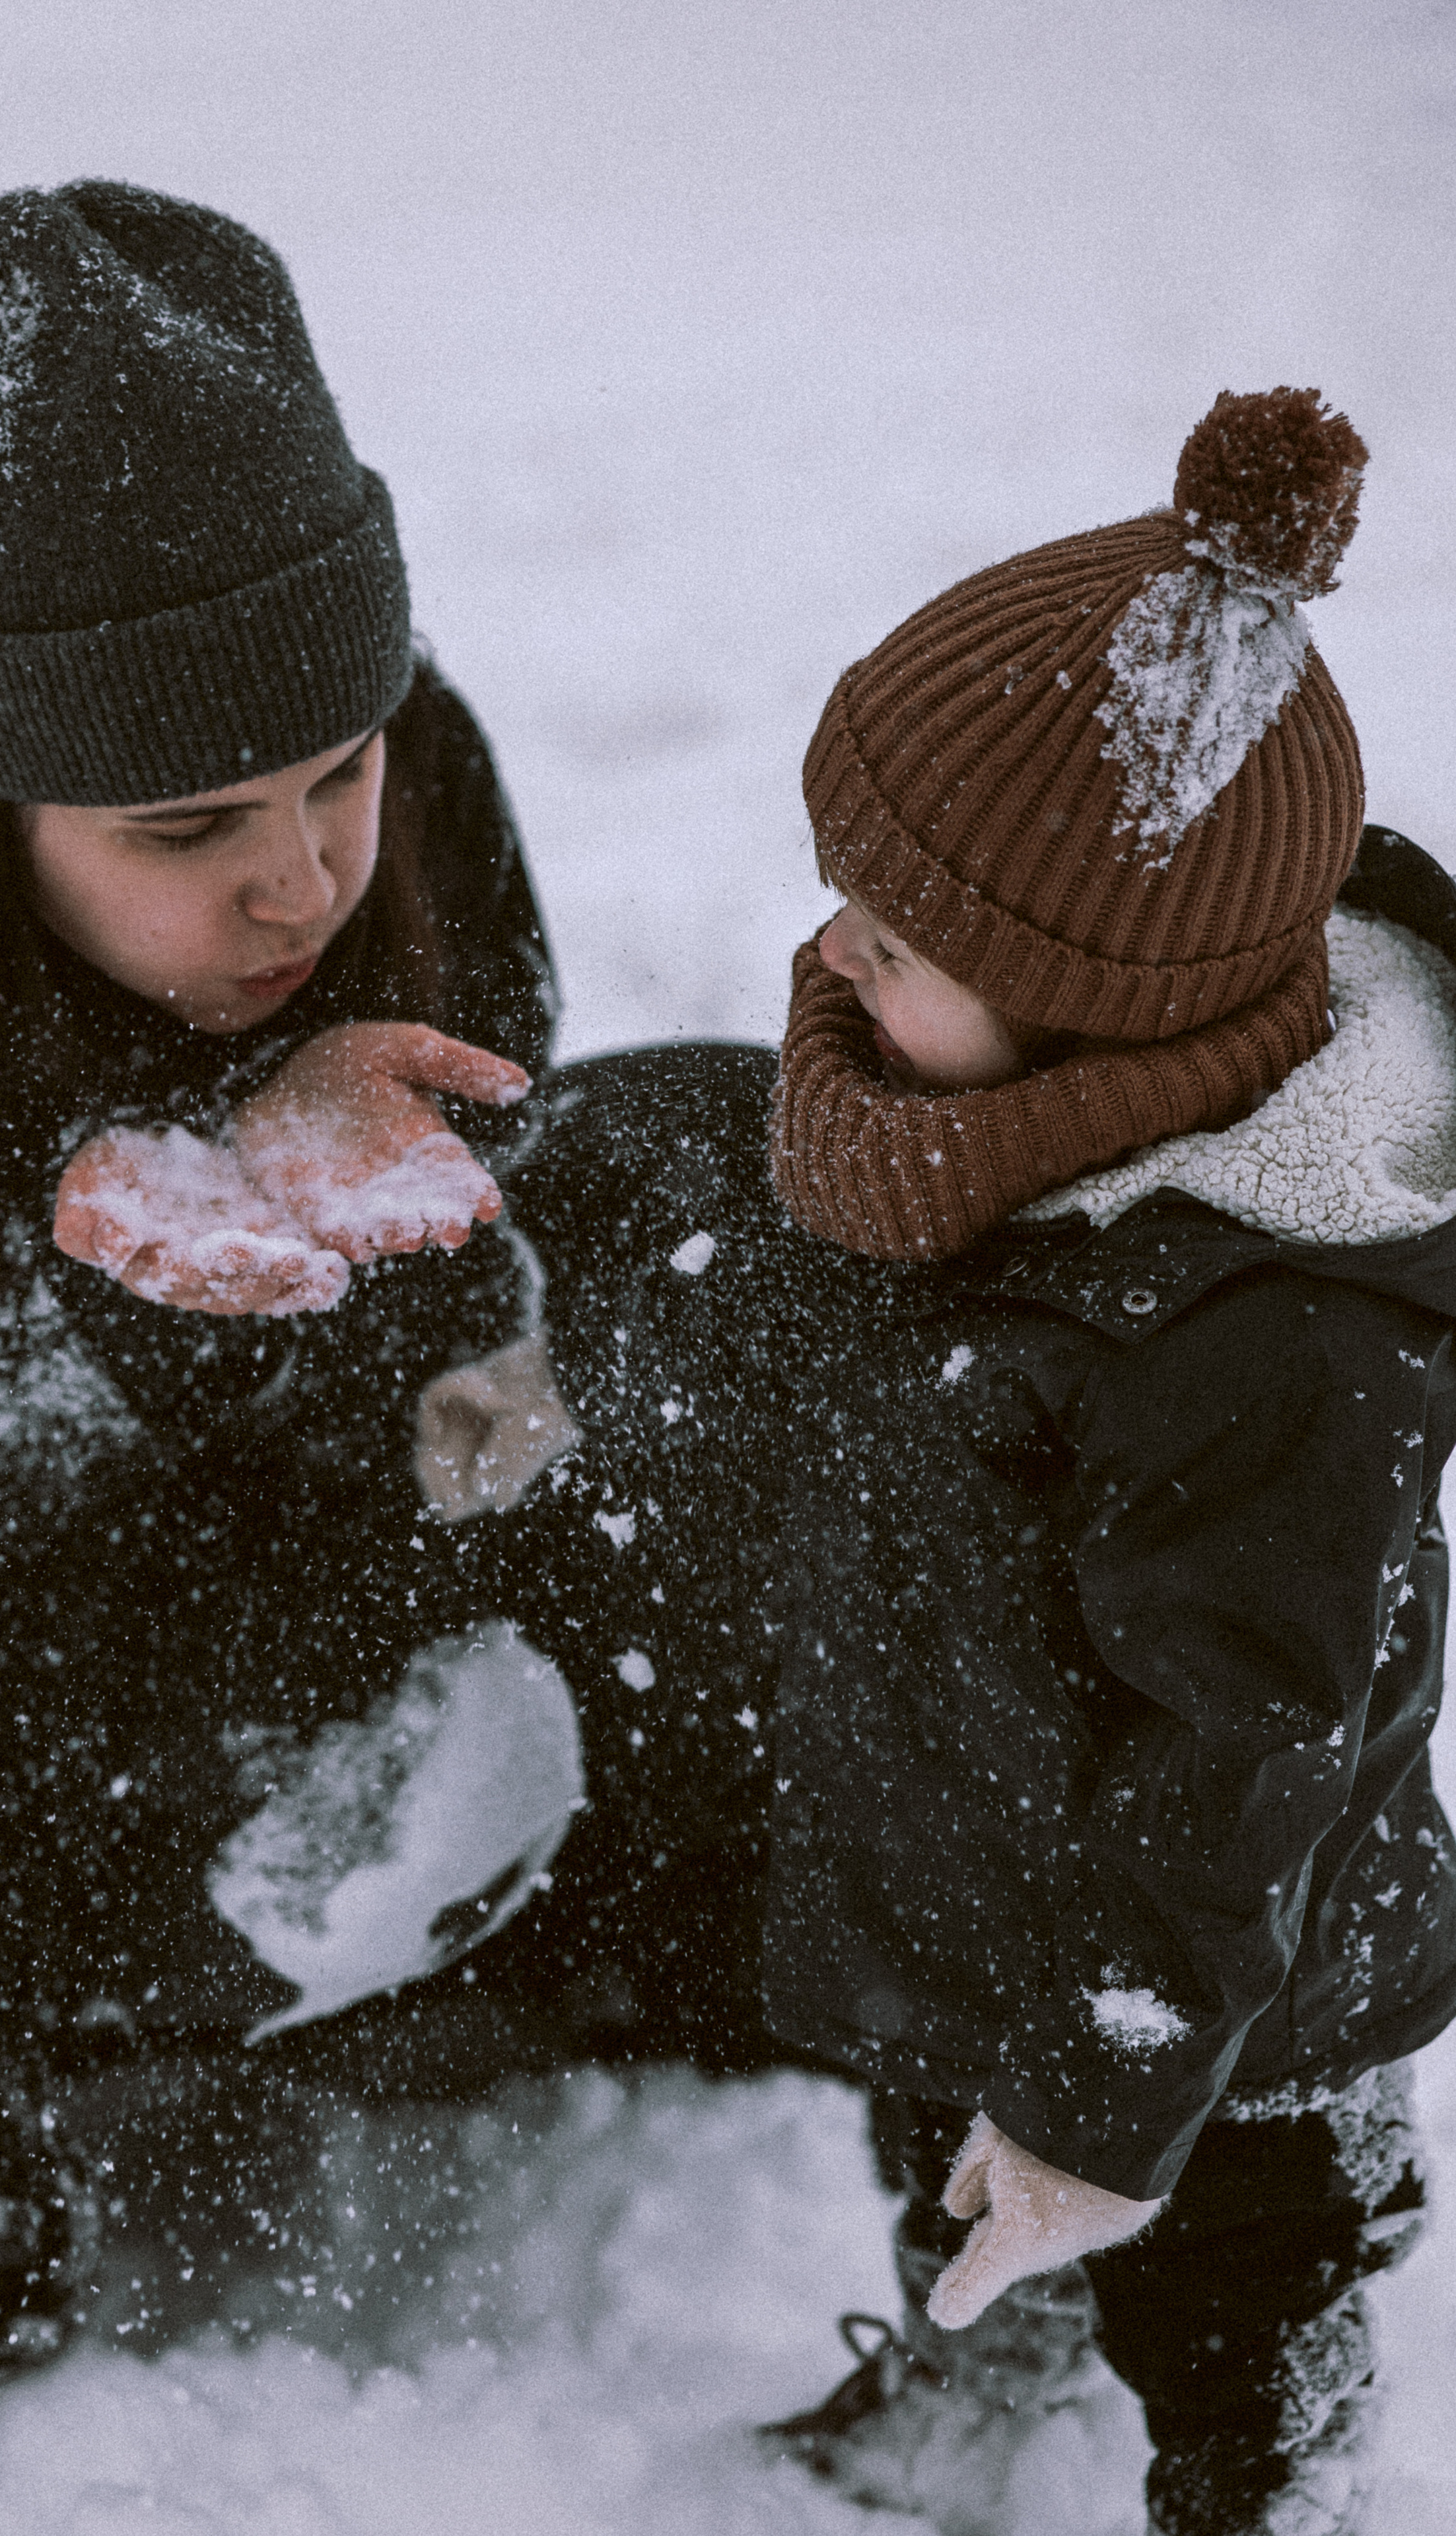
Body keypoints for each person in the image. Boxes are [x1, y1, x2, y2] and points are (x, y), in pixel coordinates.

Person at [0, 176, 589, 2497]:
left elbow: (480, 1173)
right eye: (190, 821)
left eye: (342, 772)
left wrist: (379, 1256)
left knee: (707, 1200)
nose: (303, 882)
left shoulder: (387, 792)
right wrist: (81, 1272)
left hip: (235, 1602)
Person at [691, 389, 1456, 2535]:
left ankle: (1268, 2475)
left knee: (1226, 2274)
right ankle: (969, 2365)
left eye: (899, 942)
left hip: (1223, 1998)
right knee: (945, 2179)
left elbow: (1250, 1759)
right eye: (846, 892)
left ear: (1101, 1020)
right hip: (973, 1892)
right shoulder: (972, 1146)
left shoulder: (1272, 1337)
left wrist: (1117, 2106)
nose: (838, 951)